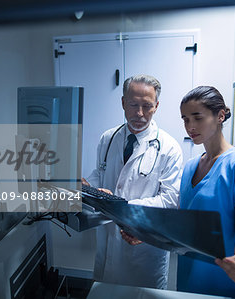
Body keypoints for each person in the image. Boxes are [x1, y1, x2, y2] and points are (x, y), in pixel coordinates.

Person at [84, 74, 183, 289]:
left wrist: (122, 207)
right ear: (122, 103)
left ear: (156, 106)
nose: (139, 113)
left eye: (147, 106)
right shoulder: (108, 138)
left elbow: (170, 200)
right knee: (106, 292)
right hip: (109, 239)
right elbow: (100, 174)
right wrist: (87, 186)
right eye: (133, 105)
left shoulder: (169, 147)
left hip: (144, 246)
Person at [177, 86, 235, 299]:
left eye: (197, 118)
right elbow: (184, 222)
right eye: (185, 119)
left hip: (227, 275)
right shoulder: (190, 167)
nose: (190, 126)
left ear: (220, 116)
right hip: (190, 272)